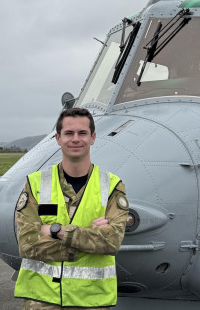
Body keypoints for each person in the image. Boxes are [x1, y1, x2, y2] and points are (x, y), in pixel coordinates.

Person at [14, 107, 129, 309]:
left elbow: (111, 242)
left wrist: (55, 231)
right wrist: (88, 239)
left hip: (91, 299)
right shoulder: (35, 183)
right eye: (69, 133)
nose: (75, 139)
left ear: (92, 138)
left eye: (82, 133)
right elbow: (26, 243)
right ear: (58, 138)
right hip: (42, 299)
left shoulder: (111, 186)